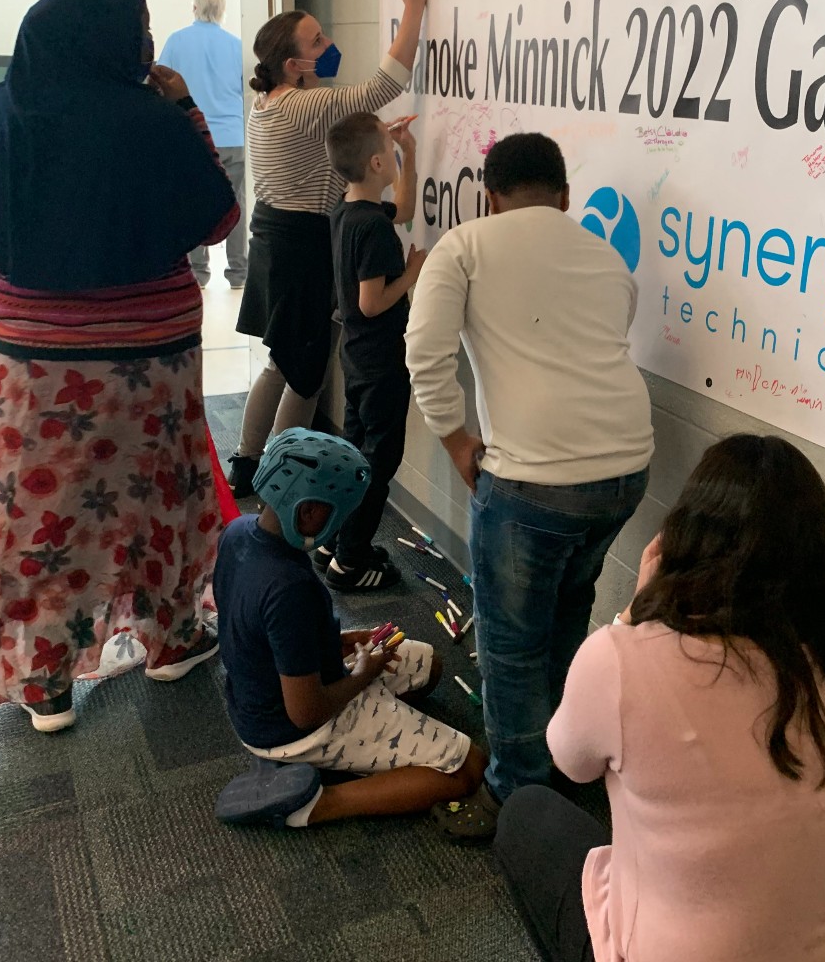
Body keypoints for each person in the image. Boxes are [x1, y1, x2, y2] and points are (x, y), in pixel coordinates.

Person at [0, 0, 239, 731]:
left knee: (44, 510)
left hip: (36, 364)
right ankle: (172, 637)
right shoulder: (150, 117)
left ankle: (45, 681)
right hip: (152, 359)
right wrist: (183, 105)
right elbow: (217, 219)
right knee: (158, 494)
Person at [493, 434, 825, 962]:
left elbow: (569, 759)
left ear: (684, 536)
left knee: (526, 812)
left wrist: (632, 613)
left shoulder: (620, 656)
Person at [405, 133, 654, 834]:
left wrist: (455, 437)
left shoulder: (467, 244)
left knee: (511, 645)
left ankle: (516, 796)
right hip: (625, 470)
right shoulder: (604, 254)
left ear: (490, 194)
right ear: (565, 194)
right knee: (565, 615)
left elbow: (423, 350)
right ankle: (563, 760)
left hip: (536, 480)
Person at [213, 428, 487, 827]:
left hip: (259, 697)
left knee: (428, 666)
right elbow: (306, 712)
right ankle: (316, 803)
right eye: (337, 510)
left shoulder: (237, 533)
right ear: (307, 510)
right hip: (294, 728)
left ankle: (368, 742)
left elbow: (257, 632)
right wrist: (362, 675)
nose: (341, 522)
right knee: (469, 768)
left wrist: (337, 641)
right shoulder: (289, 587)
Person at [227, 0, 428, 500]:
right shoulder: (307, 103)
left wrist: (376, 139)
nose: (329, 43)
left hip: (275, 237)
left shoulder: (267, 102)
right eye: (318, 41)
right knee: (307, 371)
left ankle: (248, 462)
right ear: (294, 65)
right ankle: (277, 471)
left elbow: (314, 149)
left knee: (281, 360)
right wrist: (414, 7)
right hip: (299, 246)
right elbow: (387, 83)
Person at [316, 111, 423, 590]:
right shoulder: (374, 229)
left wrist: (411, 151)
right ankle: (350, 562)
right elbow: (371, 301)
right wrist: (413, 272)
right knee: (378, 463)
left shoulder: (348, 210)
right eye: (390, 147)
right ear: (378, 162)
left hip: (356, 358)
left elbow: (403, 210)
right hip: (380, 363)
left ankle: (332, 540)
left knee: (353, 456)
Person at [159, 0, 248, 289]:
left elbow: (159, 84)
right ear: (222, 10)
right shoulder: (236, 45)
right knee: (234, 202)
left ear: (194, 7)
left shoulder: (176, 41)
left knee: (191, 199)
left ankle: (198, 272)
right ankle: (238, 272)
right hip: (234, 135)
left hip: (193, 135)